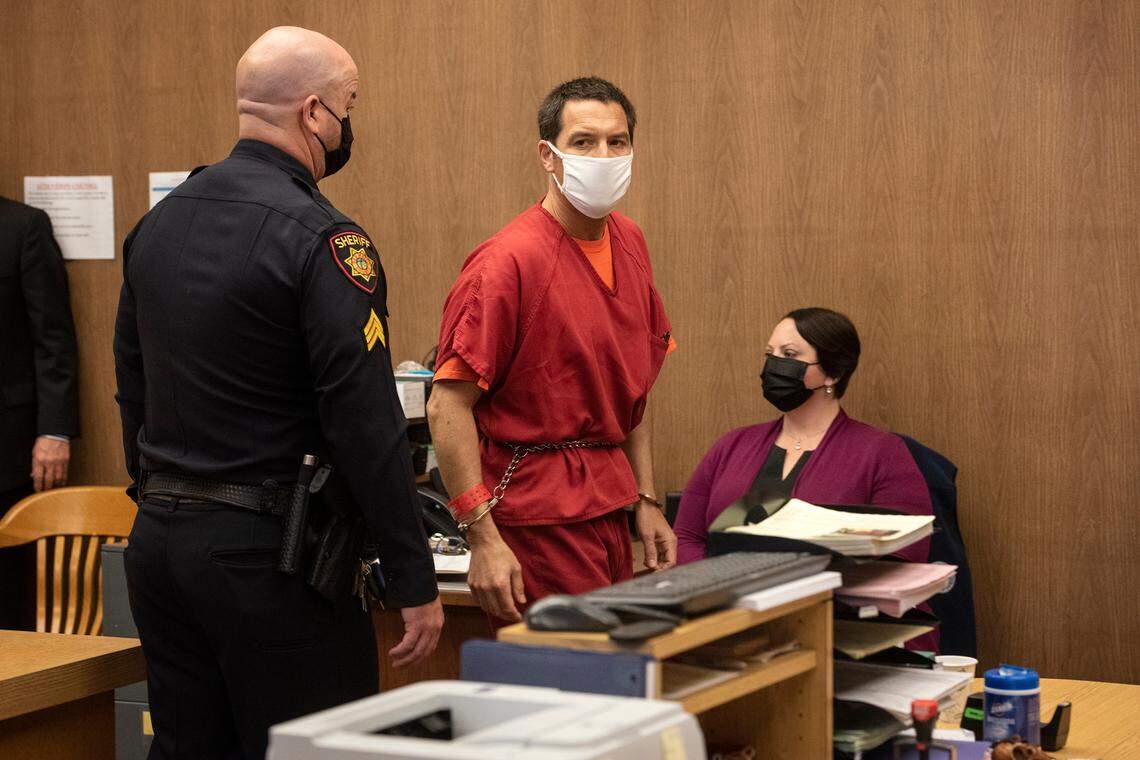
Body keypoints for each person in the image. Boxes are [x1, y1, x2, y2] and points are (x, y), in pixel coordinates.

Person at [113, 27, 442, 759]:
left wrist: (162, 496)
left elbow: (132, 385)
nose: (349, 123)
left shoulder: (159, 224)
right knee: (315, 750)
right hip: (272, 562)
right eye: (350, 105)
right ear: (315, 112)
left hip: (161, 547)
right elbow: (364, 421)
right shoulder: (323, 239)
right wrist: (412, 571)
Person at [427, 77, 677, 627]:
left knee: (618, 683)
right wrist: (482, 535)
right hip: (536, 512)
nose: (604, 155)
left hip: (609, 505)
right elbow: (447, 407)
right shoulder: (507, 262)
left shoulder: (630, 241)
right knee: (566, 687)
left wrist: (647, 499)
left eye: (618, 142)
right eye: (584, 142)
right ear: (548, 154)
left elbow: (632, 386)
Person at [674, 307, 933, 564]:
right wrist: (714, 588)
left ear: (834, 373)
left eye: (789, 354)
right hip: (724, 599)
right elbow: (686, 536)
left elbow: (904, 552)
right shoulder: (732, 445)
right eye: (769, 353)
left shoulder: (883, 451)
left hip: (829, 600)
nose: (773, 365)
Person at [0, 196, 79, 630]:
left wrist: (55, 431)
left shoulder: (23, 227)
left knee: (10, 597)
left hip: (10, 452)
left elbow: (53, 338)